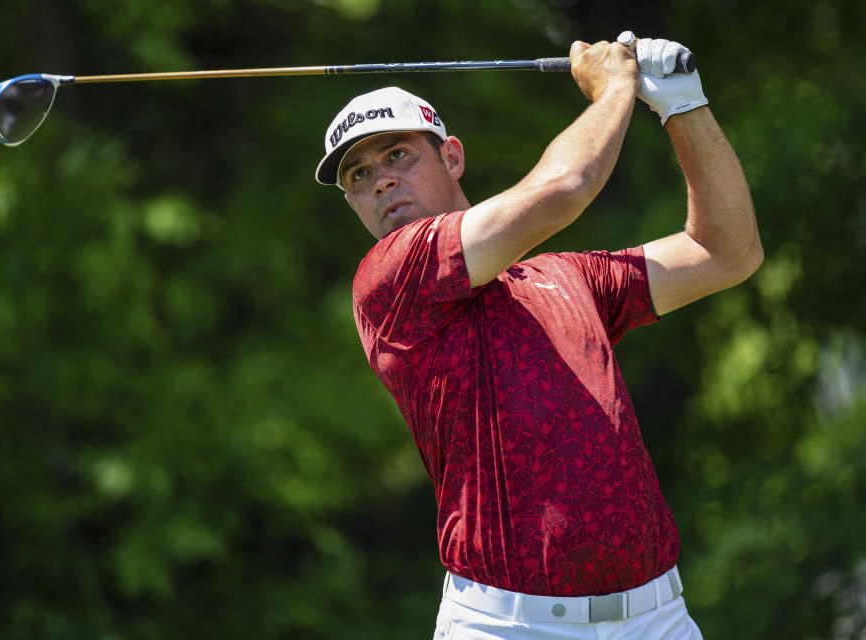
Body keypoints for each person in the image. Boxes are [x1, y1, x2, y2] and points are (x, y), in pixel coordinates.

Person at [314, 31, 762, 640]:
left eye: (397, 156)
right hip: (508, 626)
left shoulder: (564, 277)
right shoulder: (390, 278)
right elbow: (564, 187)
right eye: (359, 175)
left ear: (451, 157)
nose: (381, 182)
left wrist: (683, 103)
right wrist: (616, 90)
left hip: (658, 618)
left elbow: (725, 251)